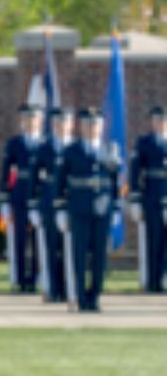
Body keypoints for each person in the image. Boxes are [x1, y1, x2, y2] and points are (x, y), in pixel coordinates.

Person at [55, 107, 122, 312]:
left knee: (100, 255)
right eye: (88, 124)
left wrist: (117, 208)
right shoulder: (70, 150)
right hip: (78, 207)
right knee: (79, 254)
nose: (92, 128)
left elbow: (115, 181)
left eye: (96, 124)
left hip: (102, 208)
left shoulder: (110, 149)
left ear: (102, 127)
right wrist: (61, 208)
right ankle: (81, 297)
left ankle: (95, 296)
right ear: (81, 126)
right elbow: (60, 182)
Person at [33, 107, 76, 302]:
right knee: (51, 248)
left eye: (65, 122)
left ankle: (71, 289)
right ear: (52, 125)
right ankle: (52, 288)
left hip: (72, 202)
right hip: (49, 202)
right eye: (58, 122)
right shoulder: (43, 148)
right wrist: (34, 205)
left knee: (72, 249)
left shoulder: (76, 147)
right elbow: (34, 179)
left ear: (72, 124)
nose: (62, 126)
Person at [0, 104, 42, 293]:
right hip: (20, 194)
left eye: (34, 117)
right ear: (22, 121)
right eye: (27, 118)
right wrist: (5, 200)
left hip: (40, 195)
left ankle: (37, 278)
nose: (31, 121)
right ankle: (20, 279)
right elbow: (6, 172)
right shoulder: (14, 143)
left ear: (40, 120)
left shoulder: (45, 143)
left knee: (39, 240)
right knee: (20, 240)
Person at [127, 105, 167, 293]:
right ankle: (153, 282)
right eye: (157, 120)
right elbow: (136, 172)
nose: (160, 124)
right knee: (154, 241)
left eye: (163, 120)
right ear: (152, 122)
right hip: (153, 197)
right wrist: (135, 198)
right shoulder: (144, 143)